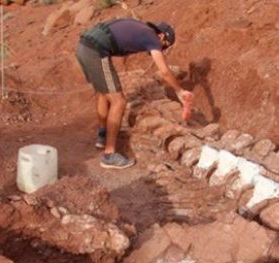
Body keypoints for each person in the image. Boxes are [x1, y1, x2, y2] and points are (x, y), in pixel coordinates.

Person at [76, 18, 194, 169]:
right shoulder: (152, 38)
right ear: (162, 37)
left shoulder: (140, 28)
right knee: (119, 101)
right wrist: (179, 91)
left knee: (103, 93)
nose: (161, 50)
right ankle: (109, 154)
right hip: (96, 51)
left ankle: (103, 135)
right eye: (164, 47)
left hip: (83, 46)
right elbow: (164, 71)